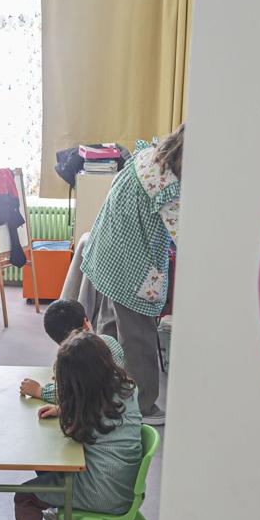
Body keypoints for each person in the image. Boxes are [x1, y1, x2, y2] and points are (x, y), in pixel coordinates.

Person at [13, 332, 143, 520]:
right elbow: (97, 411)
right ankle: (59, 518)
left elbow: (74, 433)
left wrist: (67, 411)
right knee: (48, 471)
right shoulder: (125, 388)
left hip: (101, 493)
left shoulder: (88, 407)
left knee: (25, 496)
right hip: (125, 485)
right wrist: (64, 408)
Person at [78, 124, 183, 425]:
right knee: (138, 338)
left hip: (108, 250)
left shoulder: (147, 157)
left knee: (110, 328)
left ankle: (105, 390)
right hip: (132, 266)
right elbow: (184, 236)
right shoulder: (167, 187)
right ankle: (144, 405)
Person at [19, 299, 125, 403]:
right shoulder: (109, 341)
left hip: (104, 415)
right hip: (129, 409)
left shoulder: (69, 361)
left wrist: (40, 391)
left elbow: (70, 396)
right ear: (86, 323)